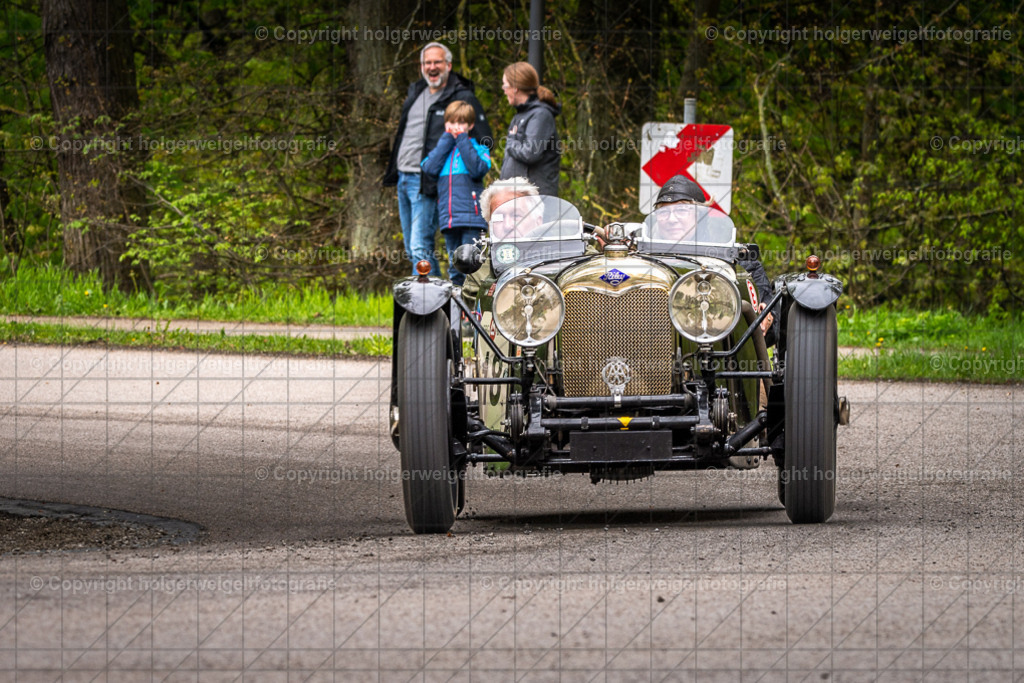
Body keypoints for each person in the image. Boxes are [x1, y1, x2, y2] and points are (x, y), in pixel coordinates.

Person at [383, 42, 493, 276]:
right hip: (404, 175)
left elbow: (484, 140)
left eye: (437, 62)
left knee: (420, 246)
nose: (432, 67)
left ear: (448, 65)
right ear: (421, 66)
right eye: (427, 63)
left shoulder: (462, 96)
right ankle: (437, 298)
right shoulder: (416, 93)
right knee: (412, 249)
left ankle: (430, 305)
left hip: (429, 182)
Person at [653, 175, 778, 344]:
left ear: (699, 216)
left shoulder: (739, 262)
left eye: (681, 210)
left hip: (717, 356)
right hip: (653, 347)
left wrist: (767, 315)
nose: (671, 219)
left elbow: (769, 320)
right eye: (663, 212)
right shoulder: (643, 261)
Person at [419, 101, 491, 286]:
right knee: (455, 266)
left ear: (470, 125)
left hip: (472, 218)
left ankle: (475, 306)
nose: (455, 127)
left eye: (460, 123)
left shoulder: (479, 148)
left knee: (472, 263)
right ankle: (458, 309)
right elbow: (429, 167)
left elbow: (477, 169)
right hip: (449, 218)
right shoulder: (443, 150)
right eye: (451, 122)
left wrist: (461, 139)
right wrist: (447, 139)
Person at [499, 62, 561, 196]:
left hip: (535, 201)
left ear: (515, 88)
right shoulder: (521, 114)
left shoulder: (541, 115)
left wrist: (510, 142)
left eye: (505, 85)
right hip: (517, 198)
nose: (503, 89)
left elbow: (531, 153)